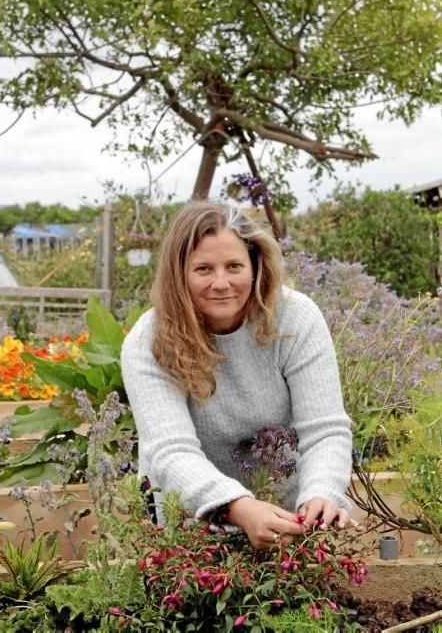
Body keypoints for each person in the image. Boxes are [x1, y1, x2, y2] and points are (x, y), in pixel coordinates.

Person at [121, 202, 357, 549]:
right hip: (192, 523)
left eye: (234, 266)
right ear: (178, 274)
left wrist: (321, 493)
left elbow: (325, 430)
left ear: (255, 265)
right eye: (203, 269)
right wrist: (239, 507)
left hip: (287, 520)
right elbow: (171, 452)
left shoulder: (295, 319)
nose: (221, 283)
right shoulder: (150, 341)